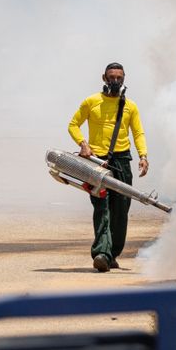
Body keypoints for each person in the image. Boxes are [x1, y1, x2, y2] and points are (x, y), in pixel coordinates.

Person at [67, 62, 148, 272]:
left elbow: (138, 133)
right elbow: (73, 125)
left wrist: (143, 156)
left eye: (119, 77)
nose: (115, 81)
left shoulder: (130, 106)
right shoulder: (91, 101)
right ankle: (101, 253)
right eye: (111, 77)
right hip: (96, 163)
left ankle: (112, 253)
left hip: (122, 162)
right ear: (104, 78)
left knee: (121, 210)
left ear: (124, 79)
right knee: (102, 207)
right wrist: (83, 144)